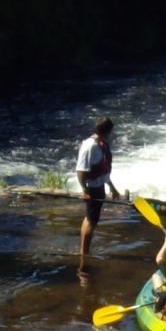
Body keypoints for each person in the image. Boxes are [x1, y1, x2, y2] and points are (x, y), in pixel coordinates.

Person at [75, 117, 121, 274]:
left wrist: (113, 188)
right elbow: (80, 171)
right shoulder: (90, 146)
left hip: (99, 186)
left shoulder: (101, 144)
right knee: (91, 221)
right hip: (93, 189)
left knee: (89, 219)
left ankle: (83, 250)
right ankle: (84, 256)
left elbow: (103, 171)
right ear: (107, 132)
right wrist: (85, 191)